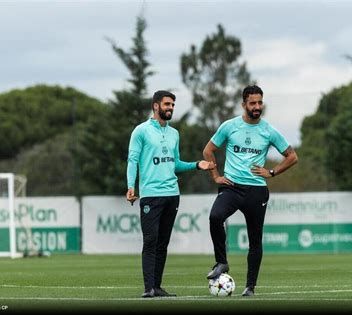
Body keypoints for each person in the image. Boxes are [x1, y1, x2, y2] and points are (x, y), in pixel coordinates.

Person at [202, 85, 298, 296]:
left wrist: (272, 172)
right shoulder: (230, 126)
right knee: (215, 217)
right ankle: (221, 262)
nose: (257, 106)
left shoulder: (268, 130)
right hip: (231, 188)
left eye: (259, 102)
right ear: (243, 104)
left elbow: (292, 156)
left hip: (257, 191)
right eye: (252, 103)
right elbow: (208, 150)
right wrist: (216, 176)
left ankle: (250, 287)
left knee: (255, 240)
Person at [126, 90, 215, 298]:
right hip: (150, 195)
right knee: (150, 240)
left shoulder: (174, 134)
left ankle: (157, 286)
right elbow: (132, 160)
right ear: (156, 106)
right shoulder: (141, 131)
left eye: (173, 105)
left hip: (172, 194)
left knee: (163, 243)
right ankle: (148, 288)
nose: (171, 108)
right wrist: (131, 186)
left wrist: (197, 165)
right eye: (167, 104)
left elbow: (175, 164)